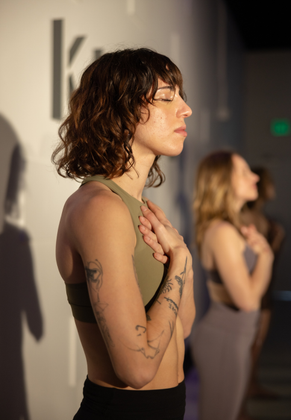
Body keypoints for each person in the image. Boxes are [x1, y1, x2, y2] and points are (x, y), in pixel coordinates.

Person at [52, 48, 195, 420]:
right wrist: (180, 262)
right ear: (120, 109)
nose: (185, 109)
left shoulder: (142, 208)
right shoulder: (101, 208)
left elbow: (183, 326)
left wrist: (182, 263)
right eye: (167, 97)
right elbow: (137, 370)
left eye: (181, 96)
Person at [191, 151, 274, 420]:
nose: (256, 177)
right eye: (244, 172)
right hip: (224, 340)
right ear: (223, 182)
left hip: (234, 338)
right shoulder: (222, 232)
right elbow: (248, 300)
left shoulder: (230, 228)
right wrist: (266, 256)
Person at [241, 167, 285, 398]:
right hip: (255, 289)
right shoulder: (247, 218)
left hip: (264, 287)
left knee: (257, 343)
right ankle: (246, 390)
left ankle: (251, 385)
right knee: (253, 344)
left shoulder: (261, 217)